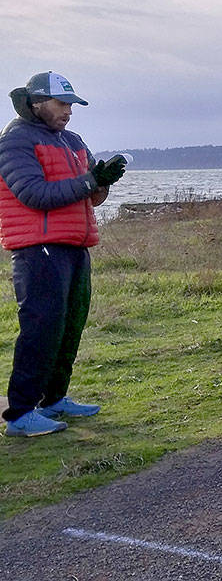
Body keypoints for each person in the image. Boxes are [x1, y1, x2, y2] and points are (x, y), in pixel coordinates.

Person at [2, 72, 125, 437]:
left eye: (71, 104)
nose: (69, 111)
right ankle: (21, 414)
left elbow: (91, 198)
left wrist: (102, 180)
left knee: (69, 326)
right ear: (37, 102)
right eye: (62, 104)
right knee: (41, 328)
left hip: (75, 244)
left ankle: (53, 398)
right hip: (36, 248)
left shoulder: (72, 140)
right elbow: (34, 194)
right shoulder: (14, 140)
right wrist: (89, 182)